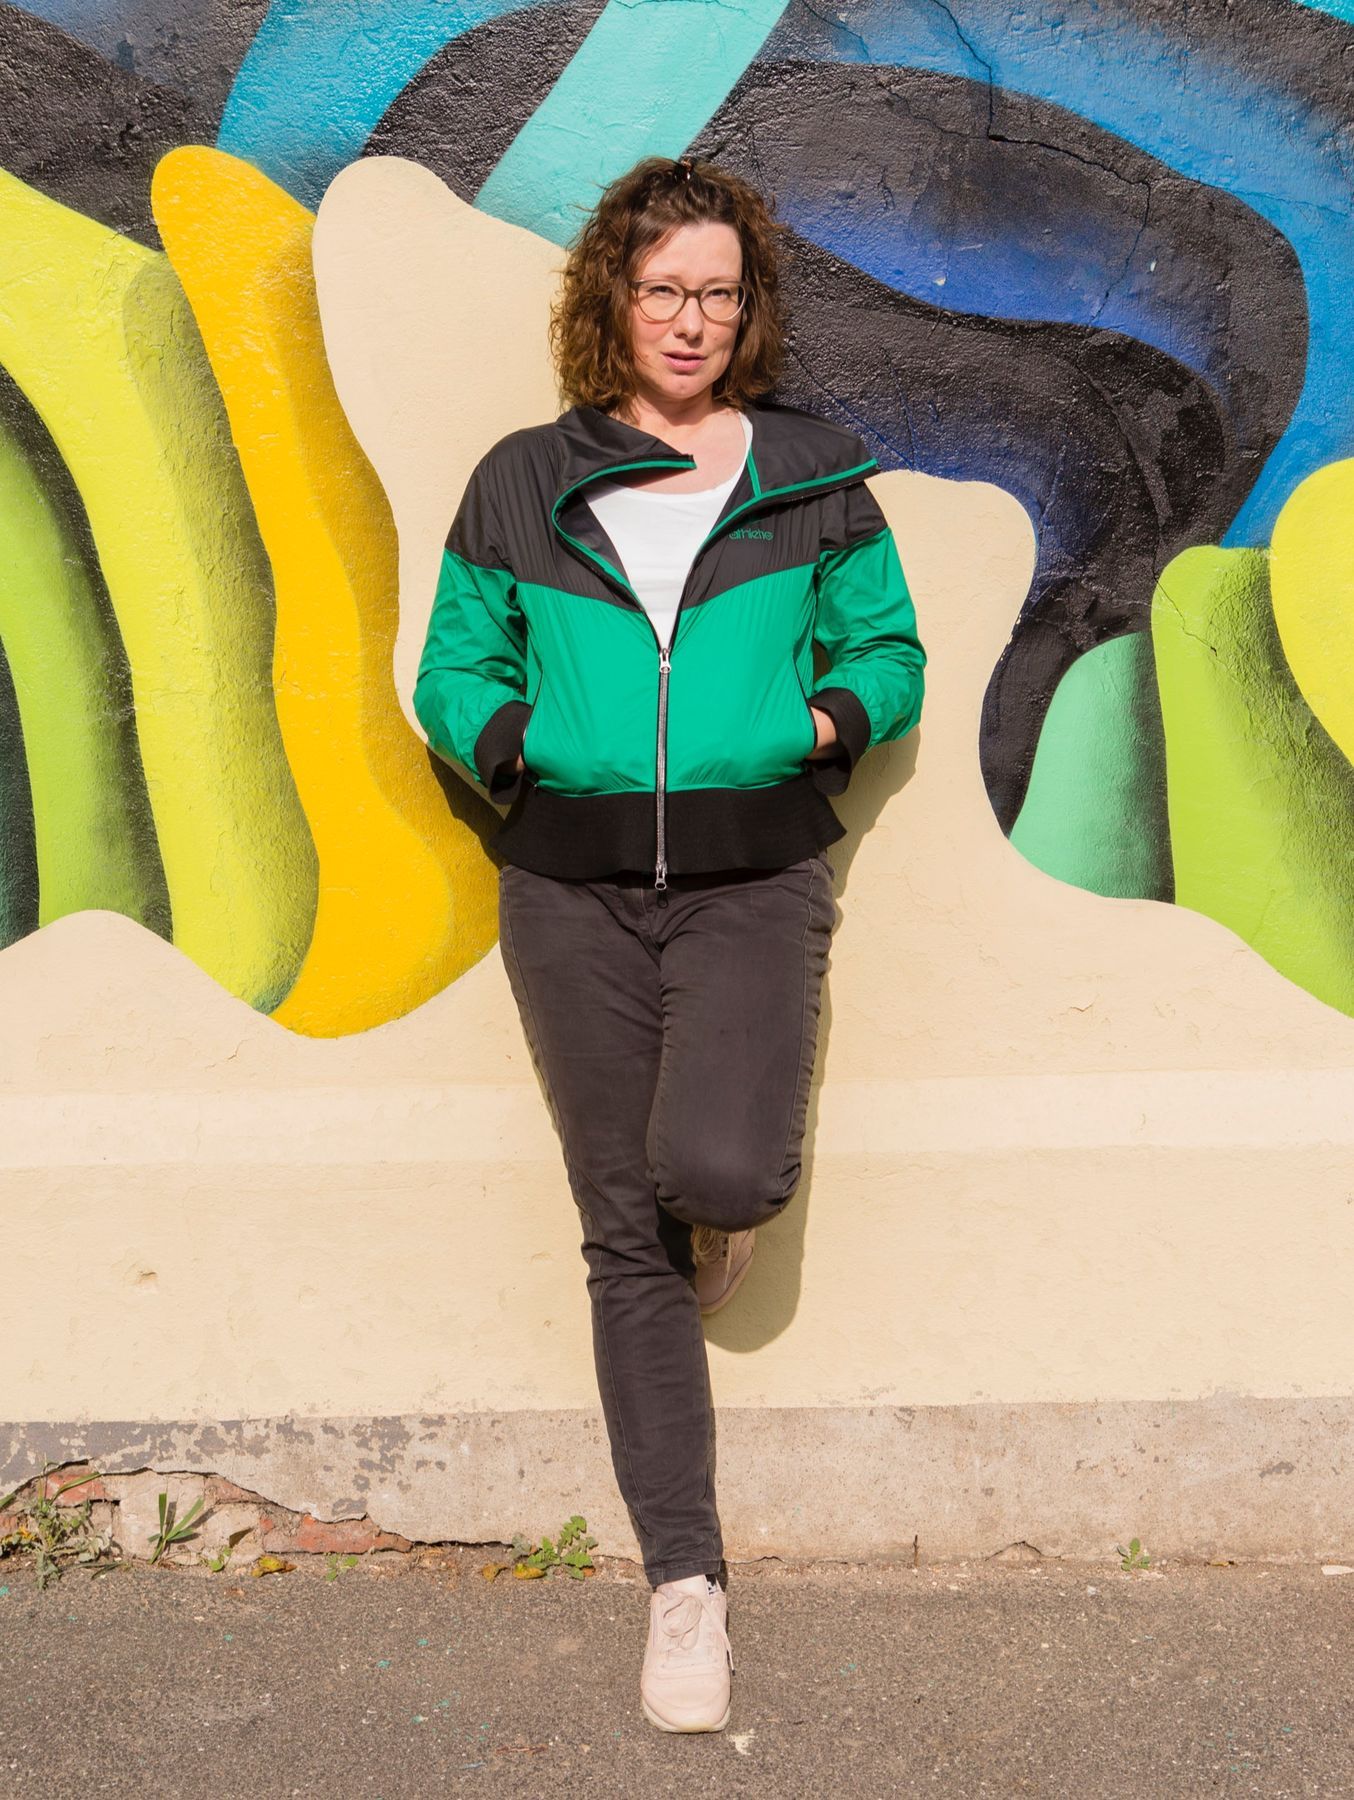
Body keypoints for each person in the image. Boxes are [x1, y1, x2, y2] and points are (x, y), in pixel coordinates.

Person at [413, 153, 925, 1734]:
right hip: (566, 892)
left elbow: (888, 649)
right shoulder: (525, 477)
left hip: (752, 877)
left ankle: (722, 1214)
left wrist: (811, 726)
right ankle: (682, 1587)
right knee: (618, 1228)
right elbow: (452, 665)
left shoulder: (812, 476)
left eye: (716, 291)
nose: (689, 320)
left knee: (718, 1171)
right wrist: (520, 746)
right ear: (612, 302)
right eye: (661, 291)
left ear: (745, 305)